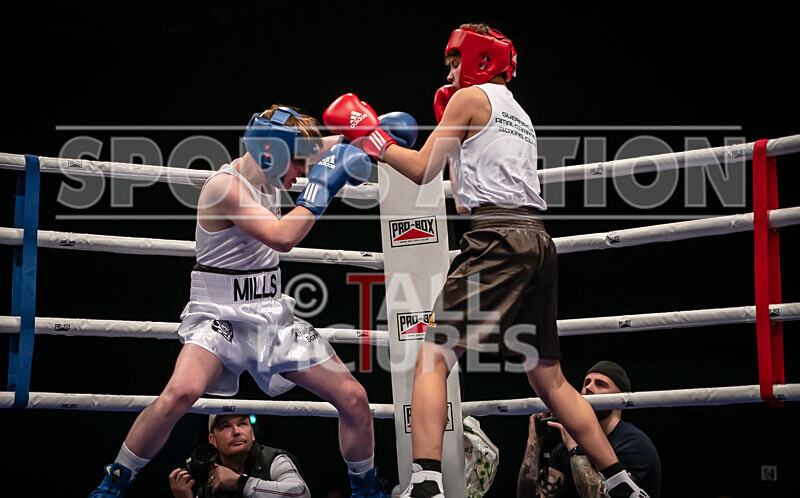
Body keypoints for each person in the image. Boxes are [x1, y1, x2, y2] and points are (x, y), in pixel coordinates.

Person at [321, 24, 650, 498]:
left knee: (433, 355)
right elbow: (462, 202)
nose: (449, 73)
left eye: (455, 62)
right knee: (550, 379)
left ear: (479, 59)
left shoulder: (469, 98)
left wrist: (373, 138)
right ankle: (620, 483)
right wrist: (454, 145)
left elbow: (422, 171)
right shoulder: (519, 113)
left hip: (497, 237)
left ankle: (426, 483)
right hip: (537, 241)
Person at [90, 105, 389, 497]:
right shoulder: (225, 188)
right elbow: (283, 237)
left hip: (272, 313)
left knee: (353, 397)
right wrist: (321, 188)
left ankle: (366, 490)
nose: (302, 172)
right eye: (299, 164)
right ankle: (113, 483)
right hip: (220, 316)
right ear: (271, 153)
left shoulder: (280, 159)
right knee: (180, 394)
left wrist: (378, 131)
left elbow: (343, 140)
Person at [517, 361, 661, 497]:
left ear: (620, 398)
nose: (588, 388)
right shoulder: (563, 448)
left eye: (600, 384)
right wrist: (534, 441)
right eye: (586, 383)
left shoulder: (635, 445)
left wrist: (575, 449)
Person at [169, 414, 309, 498]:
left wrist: (240, 483)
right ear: (212, 440)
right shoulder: (208, 477)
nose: (236, 431)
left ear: (252, 433)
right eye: (225, 426)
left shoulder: (274, 460)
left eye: (242, 424)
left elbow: (301, 493)